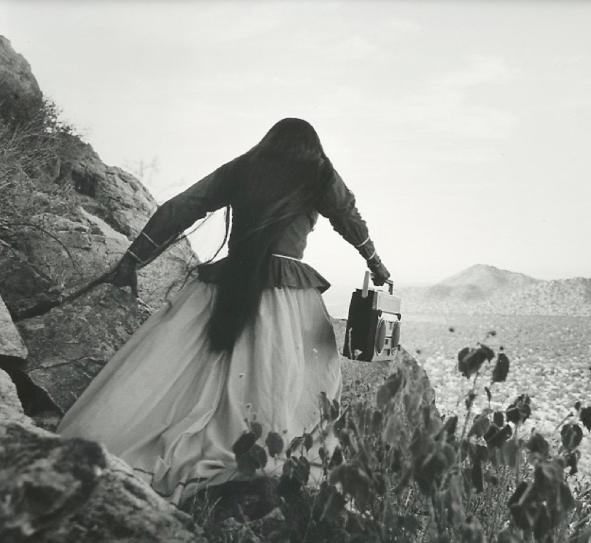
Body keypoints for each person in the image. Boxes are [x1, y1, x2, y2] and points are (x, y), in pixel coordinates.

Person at [56, 118, 390, 505]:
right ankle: (267, 454)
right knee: (288, 377)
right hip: (287, 294)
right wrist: (377, 265)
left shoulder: (245, 167)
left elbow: (182, 208)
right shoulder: (319, 172)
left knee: (189, 371)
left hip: (226, 284)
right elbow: (348, 216)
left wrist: (134, 259)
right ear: (312, 148)